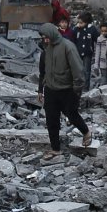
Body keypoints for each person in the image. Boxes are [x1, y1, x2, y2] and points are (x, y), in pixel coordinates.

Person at [37, 23, 90, 159]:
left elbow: (78, 70)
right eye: (43, 38)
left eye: (47, 37)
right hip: (51, 89)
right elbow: (42, 71)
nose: (46, 40)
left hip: (67, 90)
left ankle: (86, 131)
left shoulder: (68, 47)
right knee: (51, 120)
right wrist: (40, 90)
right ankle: (55, 148)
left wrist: (77, 90)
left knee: (72, 115)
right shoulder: (46, 49)